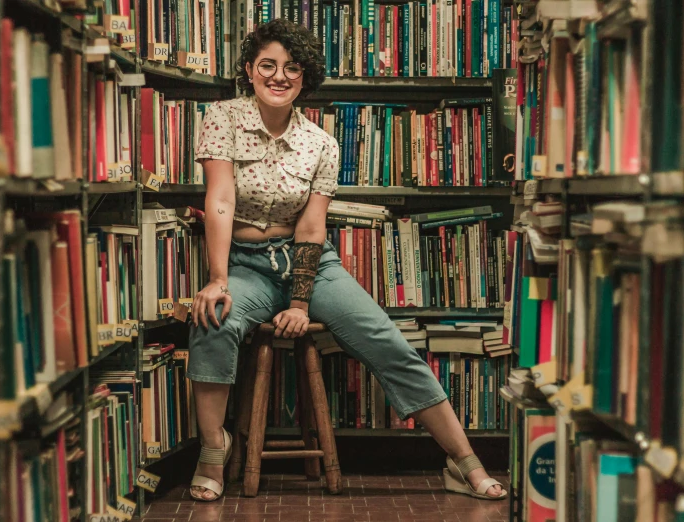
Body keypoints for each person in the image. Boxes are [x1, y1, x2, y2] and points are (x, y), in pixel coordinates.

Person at [186, 17, 507, 503]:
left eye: (292, 68)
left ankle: (463, 462)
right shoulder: (223, 119)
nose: (279, 76)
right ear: (249, 69)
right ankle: (214, 448)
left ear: (305, 77)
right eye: (267, 65)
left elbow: (313, 228)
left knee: (384, 336)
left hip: (309, 264)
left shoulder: (322, 143)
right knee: (215, 319)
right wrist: (216, 279)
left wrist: (299, 302)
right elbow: (221, 200)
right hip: (244, 262)